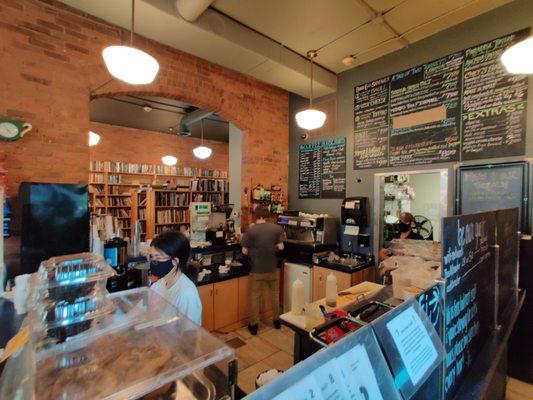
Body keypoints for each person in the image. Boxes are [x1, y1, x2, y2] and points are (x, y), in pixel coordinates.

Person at [242, 206, 284, 335]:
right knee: (275, 294)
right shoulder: (277, 229)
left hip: (257, 269)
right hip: (272, 268)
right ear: (267, 216)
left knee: (255, 297)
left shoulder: (251, 230)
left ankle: (254, 326)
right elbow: (281, 247)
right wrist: (273, 247)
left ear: (256, 216)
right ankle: (276, 321)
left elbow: (244, 250)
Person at [148, 230, 202, 325]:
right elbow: (141, 309)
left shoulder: (187, 294)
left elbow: (191, 336)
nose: (153, 261)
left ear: (175, 261)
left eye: (158, 257)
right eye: (152, 257)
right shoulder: (158, 285)